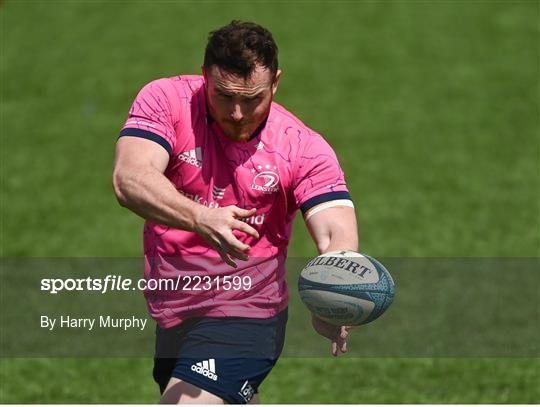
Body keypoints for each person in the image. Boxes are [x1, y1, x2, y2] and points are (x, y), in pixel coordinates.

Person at [113, 20, 358, 404]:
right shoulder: (166, 101)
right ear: (204, 77)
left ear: (275, 83)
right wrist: (201, 218)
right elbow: (130, 179)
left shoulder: (302, 147)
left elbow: (334, 230)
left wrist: (332, 291)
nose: (239, 113)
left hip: (248, 311)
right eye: (225, 96)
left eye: (253, 98)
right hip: (173, 308)